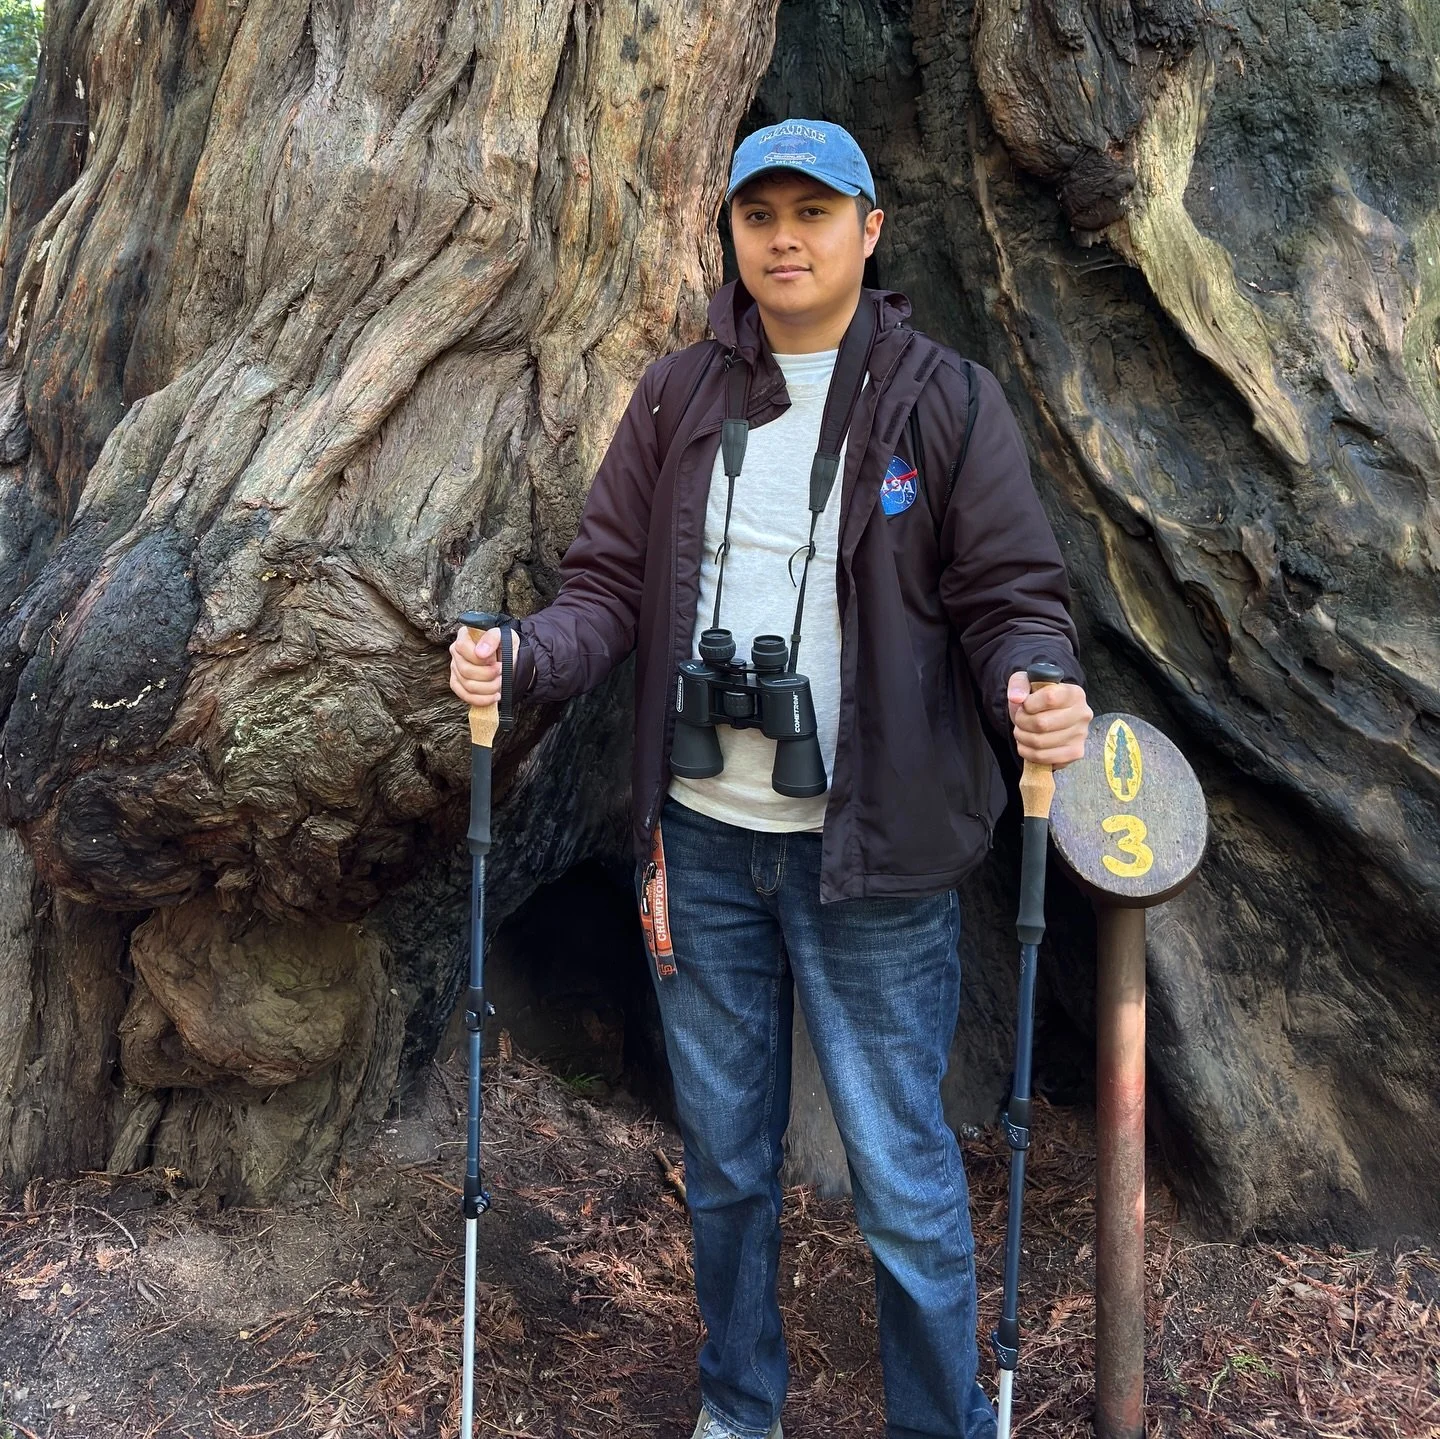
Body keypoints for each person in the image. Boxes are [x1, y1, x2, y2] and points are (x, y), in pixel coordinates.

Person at [450, 119, 1092, 1439]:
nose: (785, 238)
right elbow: (605, 592)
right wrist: (519, 655)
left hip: (877, 858)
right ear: (732, 234)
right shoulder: (679, 397)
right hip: (702, 843)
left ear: (870, 229)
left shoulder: (944, 401)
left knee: (905, 1178)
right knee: (729, 1165)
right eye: (760, 215)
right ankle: (740, 1403)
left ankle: (944, 1419)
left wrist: (1033, 681)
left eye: (814, 211)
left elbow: (1012, 599)